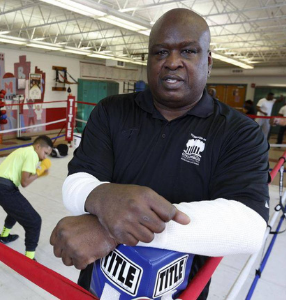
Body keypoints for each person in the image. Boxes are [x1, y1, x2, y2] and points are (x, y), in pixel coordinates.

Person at [50, 8, 269, 300]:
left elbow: (249, 226)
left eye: (188, 51)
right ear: (149, 60)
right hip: (99, 285)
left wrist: (115, 229)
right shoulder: (112, 110)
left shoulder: (239, 132)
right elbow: (78, 179)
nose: (173, 62)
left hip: (181, 290)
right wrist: (102, 198)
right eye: (160, 52)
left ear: (208, 61)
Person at [0, 135, 53, 260]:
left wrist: (39, 172)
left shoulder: (24, 150)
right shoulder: (32, 155)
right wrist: (40, 171)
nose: (44, 157)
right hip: (3, 188)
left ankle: (4, 236)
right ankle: (29, 259)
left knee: (15, 210)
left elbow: (24, 177)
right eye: (45, 153)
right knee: (35, 221)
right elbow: (25, 182)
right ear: (38, 146)